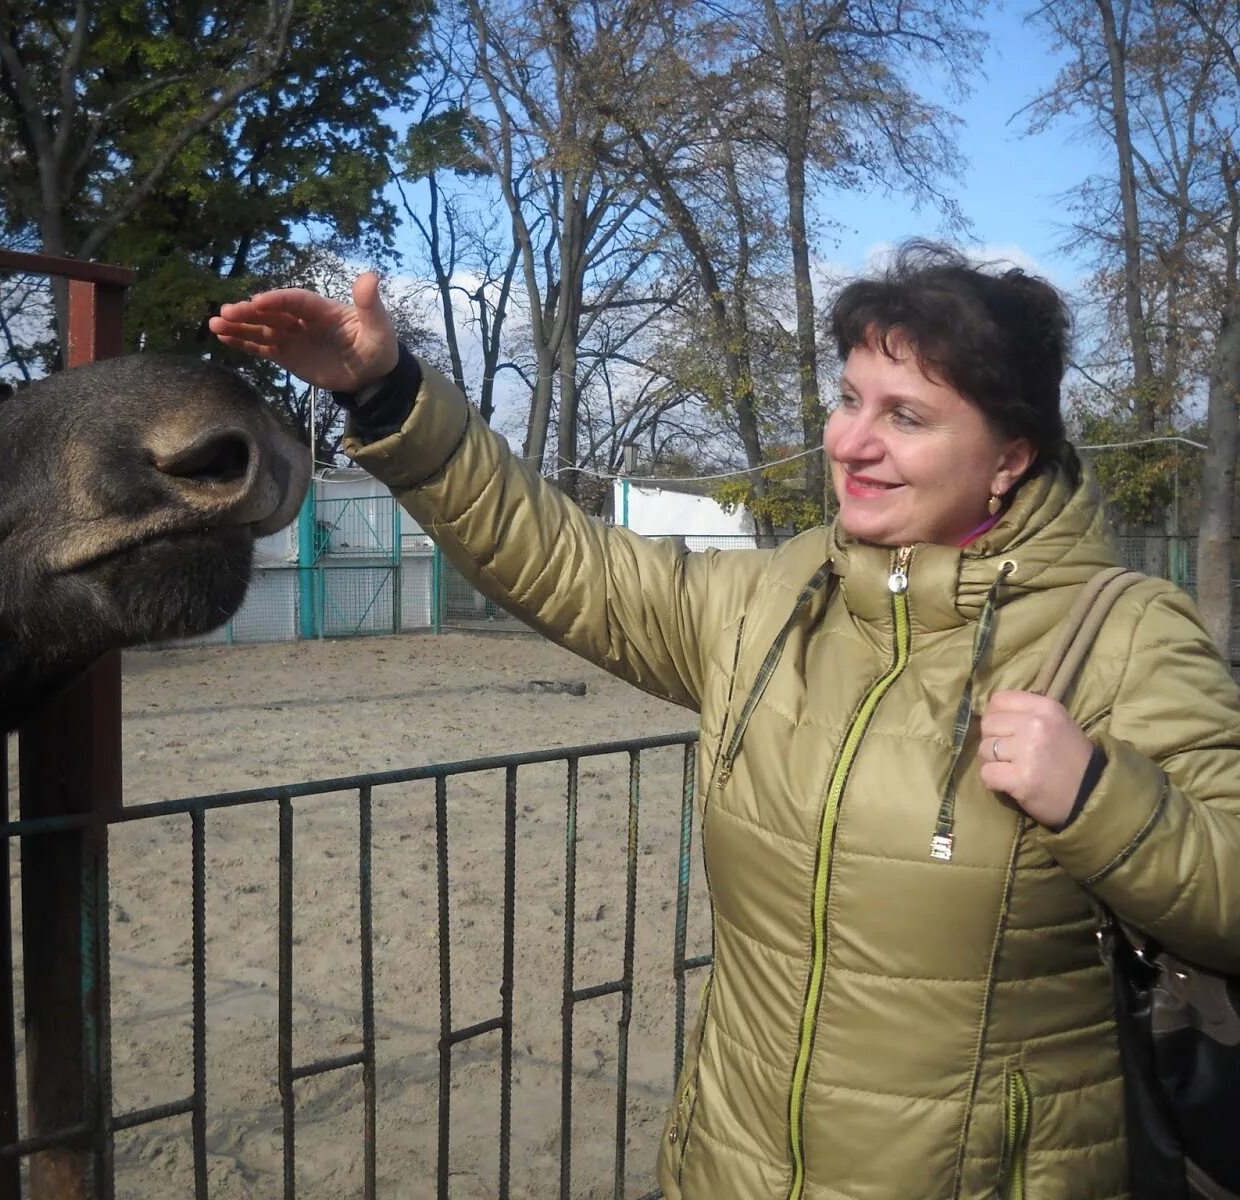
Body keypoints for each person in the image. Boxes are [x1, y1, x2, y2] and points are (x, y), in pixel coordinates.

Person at [210, 243, 1240, 1200]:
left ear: (1009, 457)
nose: (851, 442)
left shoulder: (1122, 635)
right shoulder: (776, 600)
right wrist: (389, 394)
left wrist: (1103, 801)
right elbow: (560, 557)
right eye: (847, 400)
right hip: (732, 1168)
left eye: (906, 417)